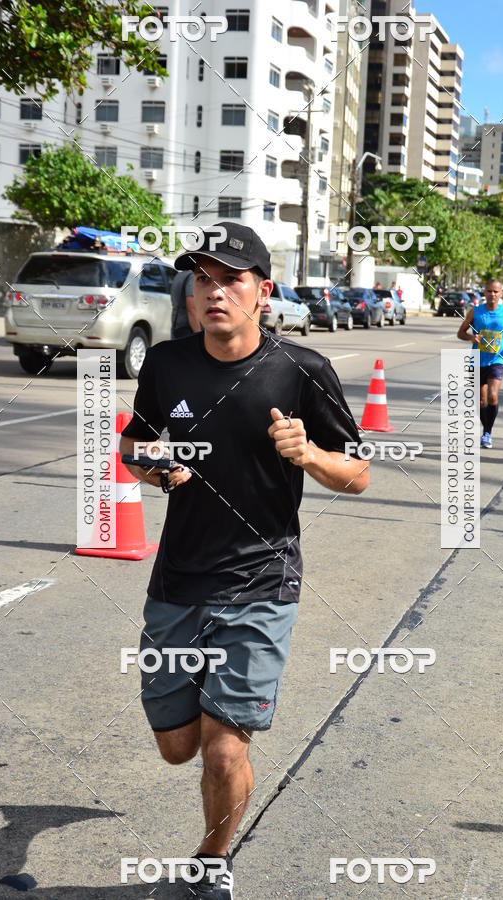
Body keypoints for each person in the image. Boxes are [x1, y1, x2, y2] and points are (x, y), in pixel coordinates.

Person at [119, 222, 369, 899]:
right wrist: (156, 467)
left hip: (262, 583)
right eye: (203, 279)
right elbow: (134, 446)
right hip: (178, 581)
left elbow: (358, 473)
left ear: (263, 291)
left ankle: (211, 862)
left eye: (231, 279)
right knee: (178, 747)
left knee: (225, 746)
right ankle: (209, 714)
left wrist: (309, 454)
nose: (215, 291)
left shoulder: (301, 370)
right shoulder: (166, 364)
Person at [457, 279, 503, 448]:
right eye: (489, 291)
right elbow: (460, 333)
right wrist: (471, 337)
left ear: (501, 294)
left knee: (492, 396)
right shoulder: (475, 312)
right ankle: (486, 429)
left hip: (497, 360)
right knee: (481, 401)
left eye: (496, 291)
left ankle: (487, 433)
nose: (492, 294)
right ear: (484, 293)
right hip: (476, 359)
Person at [170, 268, 199, 338]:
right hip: (188, 328)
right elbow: (191, 308)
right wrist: (198, 333)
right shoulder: (192, 276)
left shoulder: (178, 275)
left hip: (176, 326)